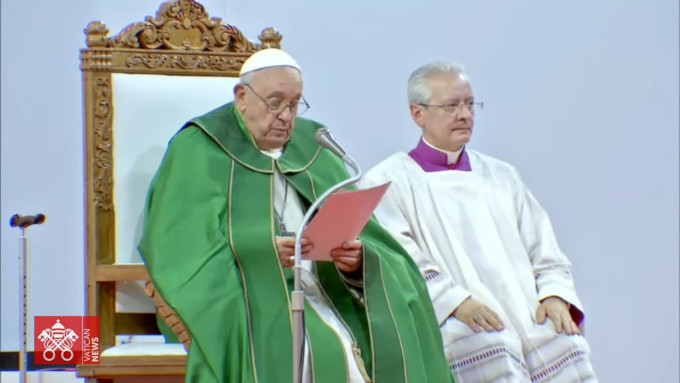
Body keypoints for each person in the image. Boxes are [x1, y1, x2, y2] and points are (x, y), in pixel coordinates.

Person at [138, 49, 454, 383]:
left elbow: (372, 237)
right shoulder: (199, 148)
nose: (286, 116)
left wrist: (358, 261)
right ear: (242, 97)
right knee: (326, 350)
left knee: (397, 320)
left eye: (294, 104)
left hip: (328, 288)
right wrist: (259, 249)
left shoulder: (314, 143)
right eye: (274, 102)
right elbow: (178, 247)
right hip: (252, 290)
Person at [359, 61, 598, 382]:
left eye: (470, 104)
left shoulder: (501, 176)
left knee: (567, 345)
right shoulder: (387, 181)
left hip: (526, 312)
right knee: (492, 348)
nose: (464, 114)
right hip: (453, 317)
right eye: (451, 106)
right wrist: (455, 302)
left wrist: (554, 295)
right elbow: (401, 261)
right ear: (417, 113)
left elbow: (544, 247)